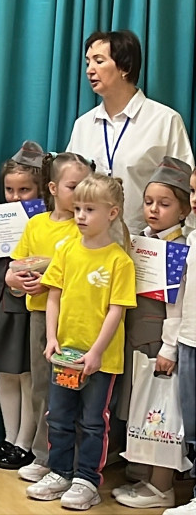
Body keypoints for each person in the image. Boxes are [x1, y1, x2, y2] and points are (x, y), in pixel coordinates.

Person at [27, 174, 135, 510]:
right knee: (58, 415)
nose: (81, 216)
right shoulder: (66, 250)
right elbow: (53, 296)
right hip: (65, 354)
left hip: (99, 359)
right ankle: (59, 471)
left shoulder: (119, 261)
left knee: (92, 421)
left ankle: (87, 480)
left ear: (112, 213)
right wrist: (52, 338)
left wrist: (96, 352)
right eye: (77, 209)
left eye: (90, 209)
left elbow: (116, 311)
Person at [6, 152, 93, 484]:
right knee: (42, 386)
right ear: (53, 188)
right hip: (40, 317)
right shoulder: (36, 224)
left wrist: (49, 277)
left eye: (86, 185)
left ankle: (71, 461)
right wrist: (14, 279)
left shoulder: (85, 227)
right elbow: (16, 266)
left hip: (75, 319)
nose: (81, 193)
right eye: (74, 186)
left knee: (73, 389)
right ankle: (44, 454)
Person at [111, 158, 191, 509]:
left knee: (163, 415)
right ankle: (143, 475)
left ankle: (162, 485)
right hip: (135, 339)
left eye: (164, 204)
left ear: (184, 209)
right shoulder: (140, 240)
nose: (154, 210)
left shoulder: (180, 249)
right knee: (141, 409)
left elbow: (179, 305)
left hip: (160, 343)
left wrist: (169, 348)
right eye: (148, 202)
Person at [65, 30, 194, 235]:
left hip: (144, 242)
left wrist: (189, 241)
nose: (89, 70)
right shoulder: (83, 125)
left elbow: (188, 190)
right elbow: (68, 184)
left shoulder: (165, 120)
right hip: (88, 242)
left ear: (124, 67)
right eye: (88, 62)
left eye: (99, 61)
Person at [0, 141, 49, 471]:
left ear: (42, 190)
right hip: (1, 302)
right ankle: (9, 437)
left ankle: (25, 441)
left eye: (24, 190)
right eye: (9, 190)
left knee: (26, 375)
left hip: (29, 306)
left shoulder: (45, 223)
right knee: (5, 373)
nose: (15, 197)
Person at [160, 167, 196, 515]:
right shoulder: (190, 241)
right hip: (188, 342)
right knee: (193, 426)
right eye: (194, 192)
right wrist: (171, 345)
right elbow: (178, 298)